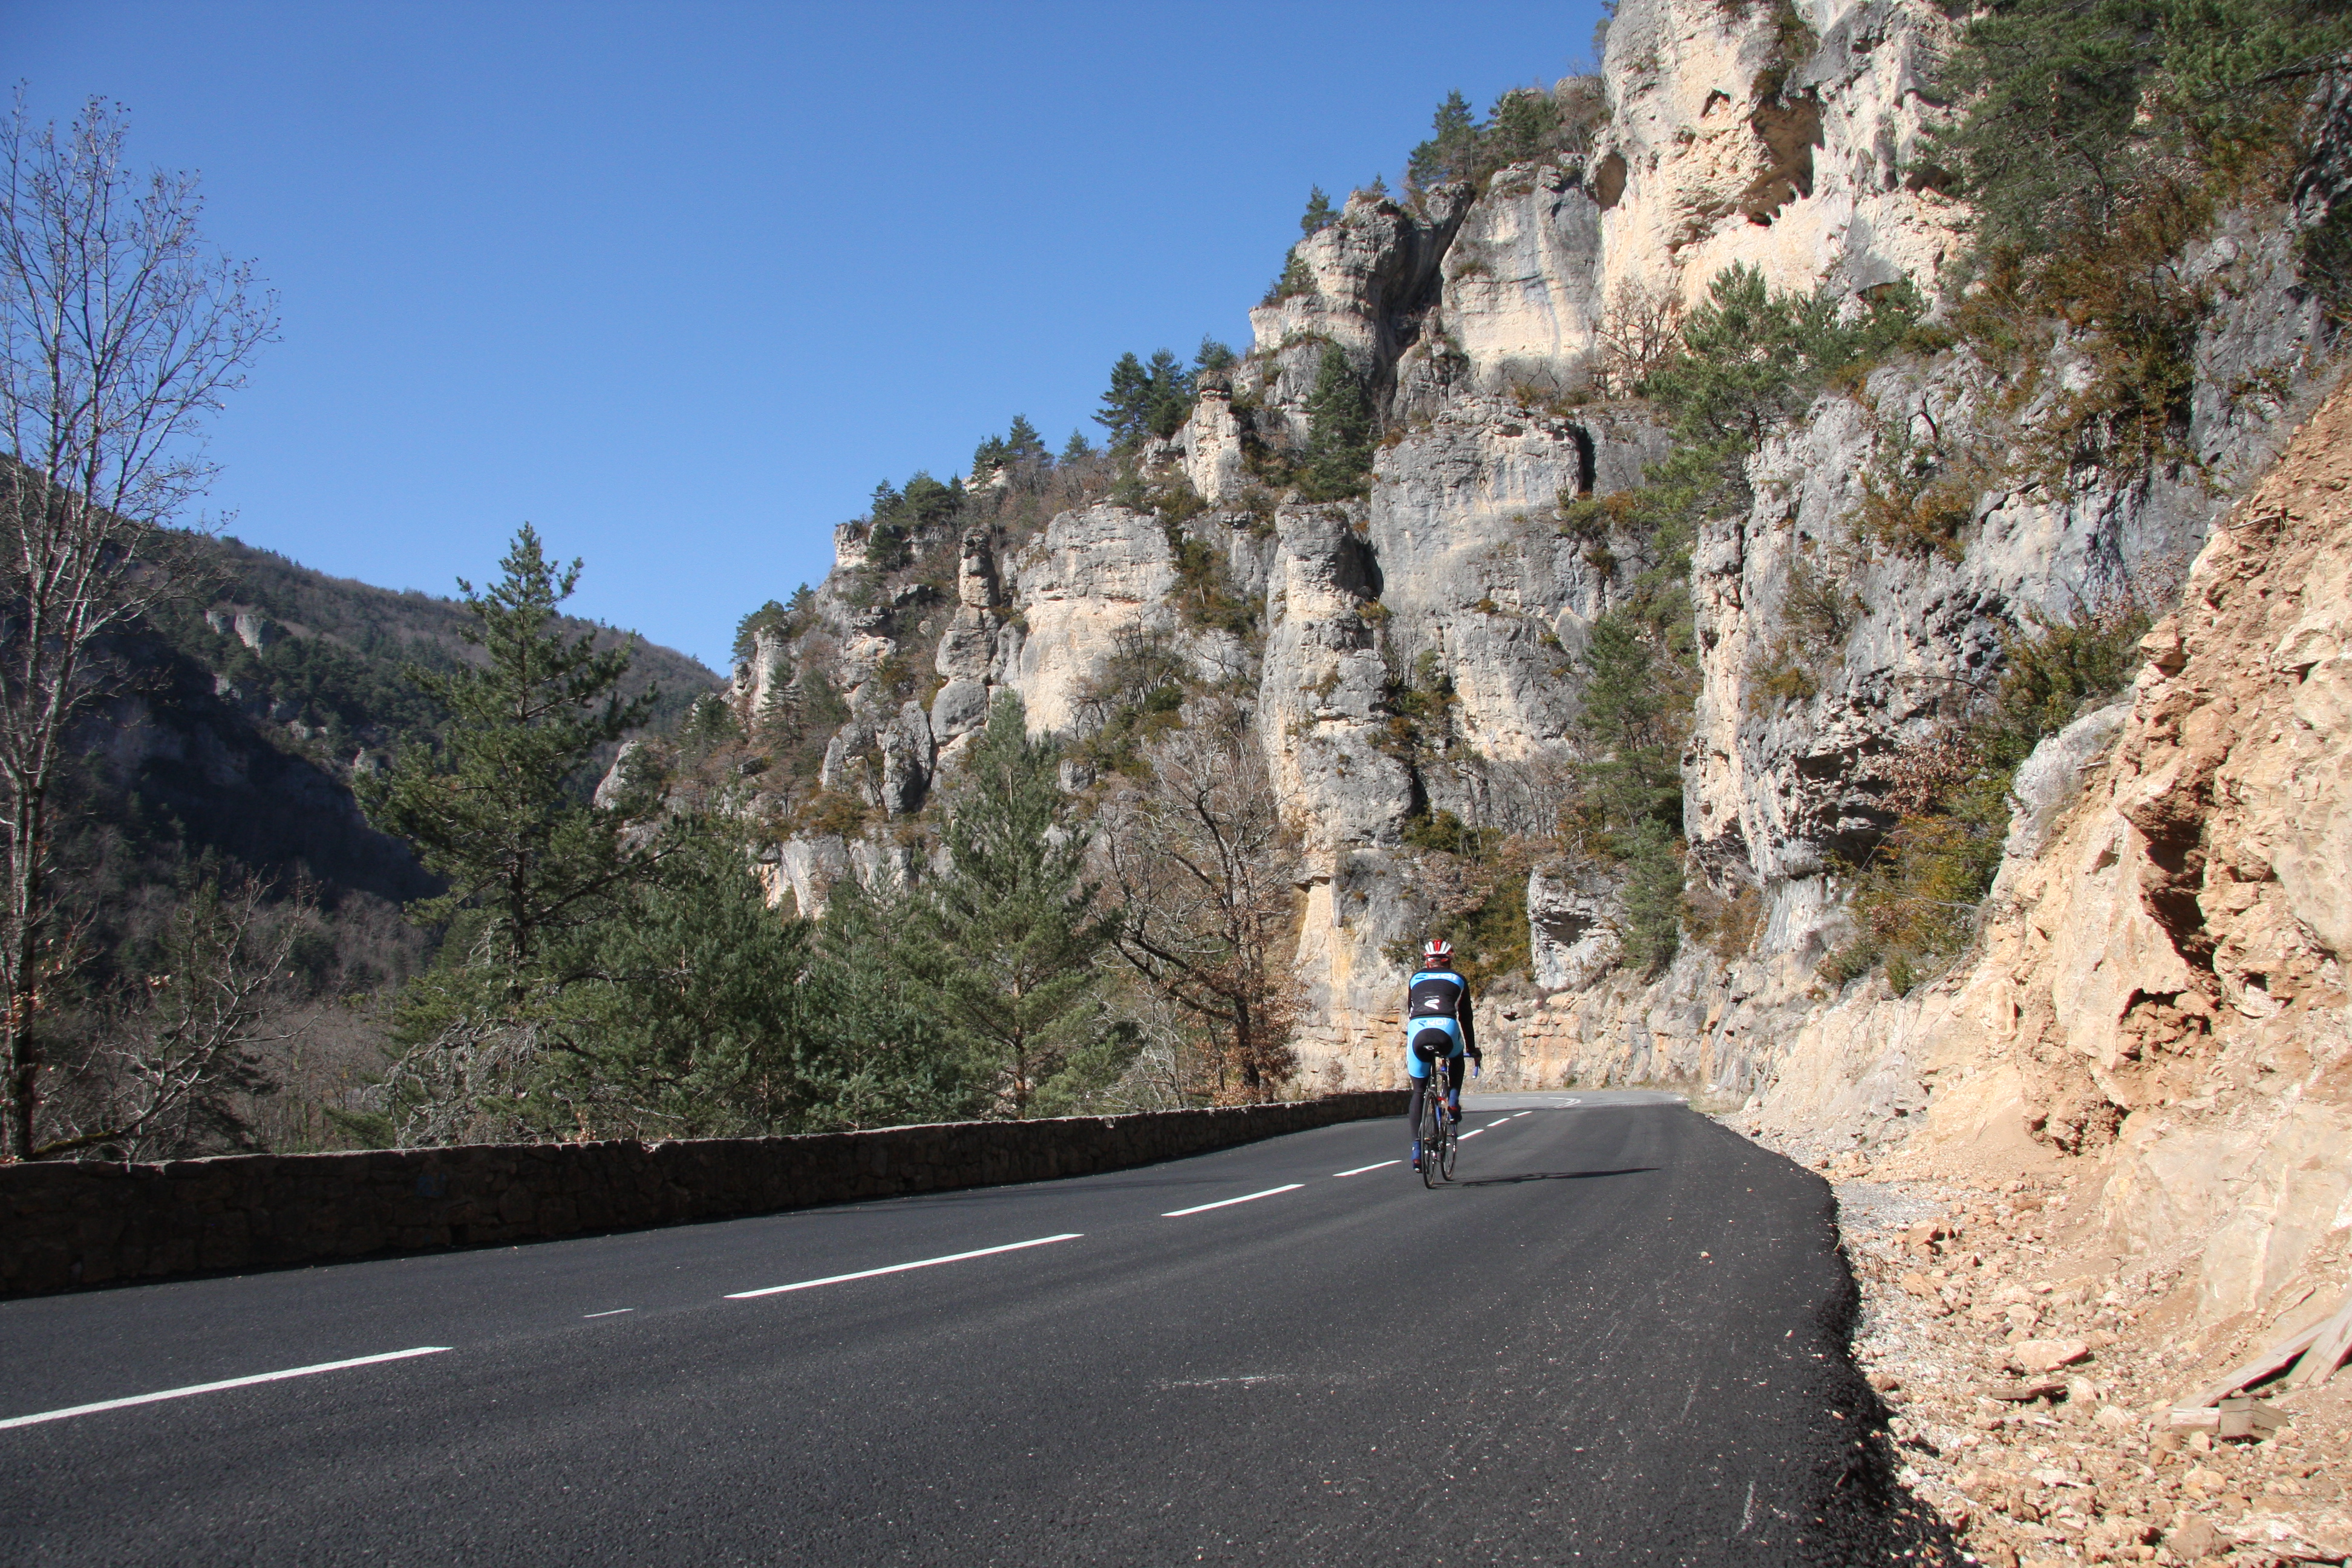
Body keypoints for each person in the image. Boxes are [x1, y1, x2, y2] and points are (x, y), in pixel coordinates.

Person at [1405, 937, 1480, 1169]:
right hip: (1446, 1027)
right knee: (1456, 1057)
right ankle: (1454, 1101)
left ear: (1427, 963)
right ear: (1449, 962)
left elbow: (1411, 1012)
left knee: (1418, 1090)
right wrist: (1472, 1049)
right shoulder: (1458, 978)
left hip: (1418, 1030)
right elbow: (1466, 1018)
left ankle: (1417, 1149)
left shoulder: (1415, 978)